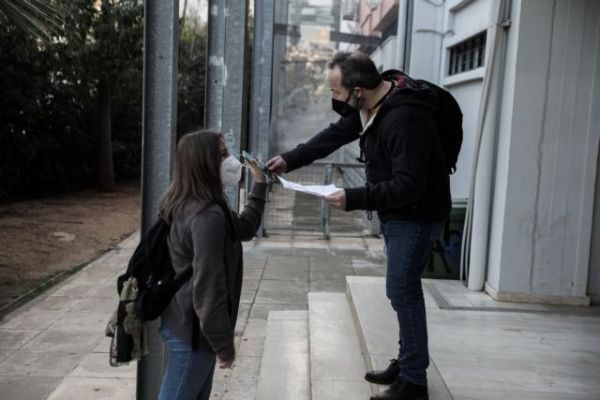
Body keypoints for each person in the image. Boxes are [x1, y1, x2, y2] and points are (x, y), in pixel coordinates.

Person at [267, 52, 450, 400]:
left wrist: (353, 197)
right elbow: (333, 135)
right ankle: (407, 362)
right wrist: (290, 160)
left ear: (358, 90)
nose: (333, 98)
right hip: (398, 212)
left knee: (402, 290)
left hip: (417, 215)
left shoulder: (405, 119)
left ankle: (414, 381)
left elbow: (410, 185)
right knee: (402, 290)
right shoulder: (372, 106)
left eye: (336, 91)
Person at [157, 130, 267, 400]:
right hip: (194, 334)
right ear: (204, 164)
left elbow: (244, 228)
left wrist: (259, 184)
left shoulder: (190, 202)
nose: (231, 161)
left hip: (182, 323)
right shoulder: (207, 215)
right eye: (222, 155)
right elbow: (209, 287)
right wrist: (223, 344)